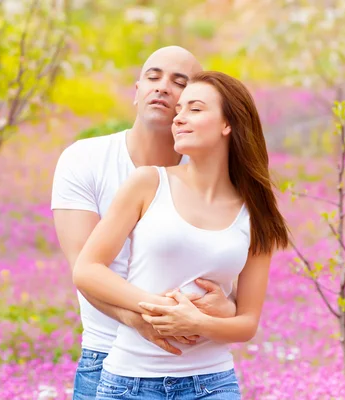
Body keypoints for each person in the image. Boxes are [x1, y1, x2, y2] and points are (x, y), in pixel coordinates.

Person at [72, 71, 290, 399]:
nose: (179, 118)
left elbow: (247, 324)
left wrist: (196, 322)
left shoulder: (255, 212)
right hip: (128, 383)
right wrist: (162, 308)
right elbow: (87, 270)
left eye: (195, 109)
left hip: (211, 384)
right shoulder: (147, 183)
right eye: (179, 111)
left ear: (227, 124)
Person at [51, 47, 238, 400]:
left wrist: (226, 309)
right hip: (107, 359)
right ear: (136, 90)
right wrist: (141, 319)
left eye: (179, 82)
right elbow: (85, 270)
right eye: (153, 77)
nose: (163, 87)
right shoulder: (84, 160)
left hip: (198, 369)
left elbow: (237, 287)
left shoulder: (213, 177)